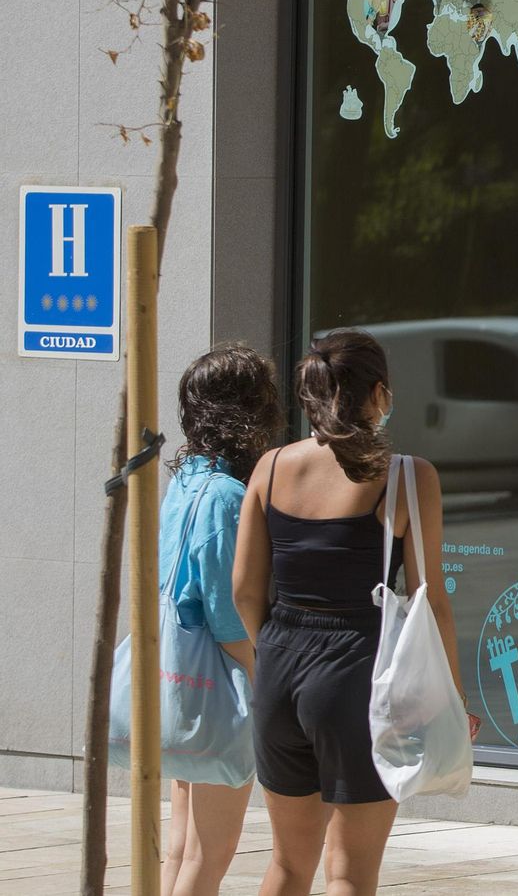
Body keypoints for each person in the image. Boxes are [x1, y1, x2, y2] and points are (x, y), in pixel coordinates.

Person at [233, 329, 479, 896]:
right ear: (380, 394)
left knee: (288, 866)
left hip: (279, 669)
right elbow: (429, 599)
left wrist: (271, 652)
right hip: (358, 675)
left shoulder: (270, 468)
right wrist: (454, 696)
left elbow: (245, 588)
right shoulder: (408, 476)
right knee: (349, 870)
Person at [159, 345, 283, 896]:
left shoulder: (184, 482)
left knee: (182, 843)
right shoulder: (229, 497)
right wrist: (265, 688)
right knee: (210, 854)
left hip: (178, 680)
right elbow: (232, 618)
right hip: (216, 688)